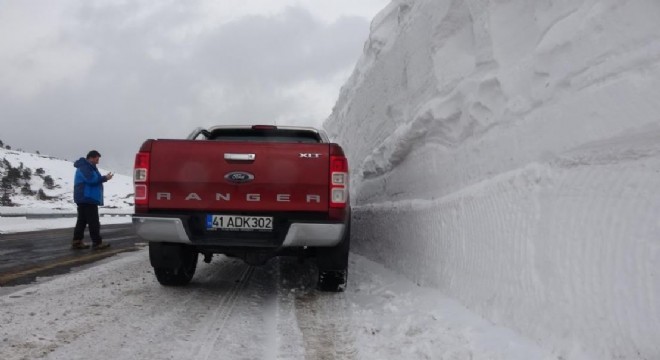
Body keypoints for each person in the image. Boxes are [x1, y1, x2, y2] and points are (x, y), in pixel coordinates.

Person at [71, 150, 114, 250]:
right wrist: (105, 178)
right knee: (93, 221)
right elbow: (91, 180)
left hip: (85, 198)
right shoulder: (85, 166)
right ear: (91, 157)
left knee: (82, 221)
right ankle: (97, 243)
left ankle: (77, 241)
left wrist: (104, 178)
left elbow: (95, 178)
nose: (98, 160)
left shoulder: (90, 167)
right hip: (87, 197)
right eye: (97, 158)